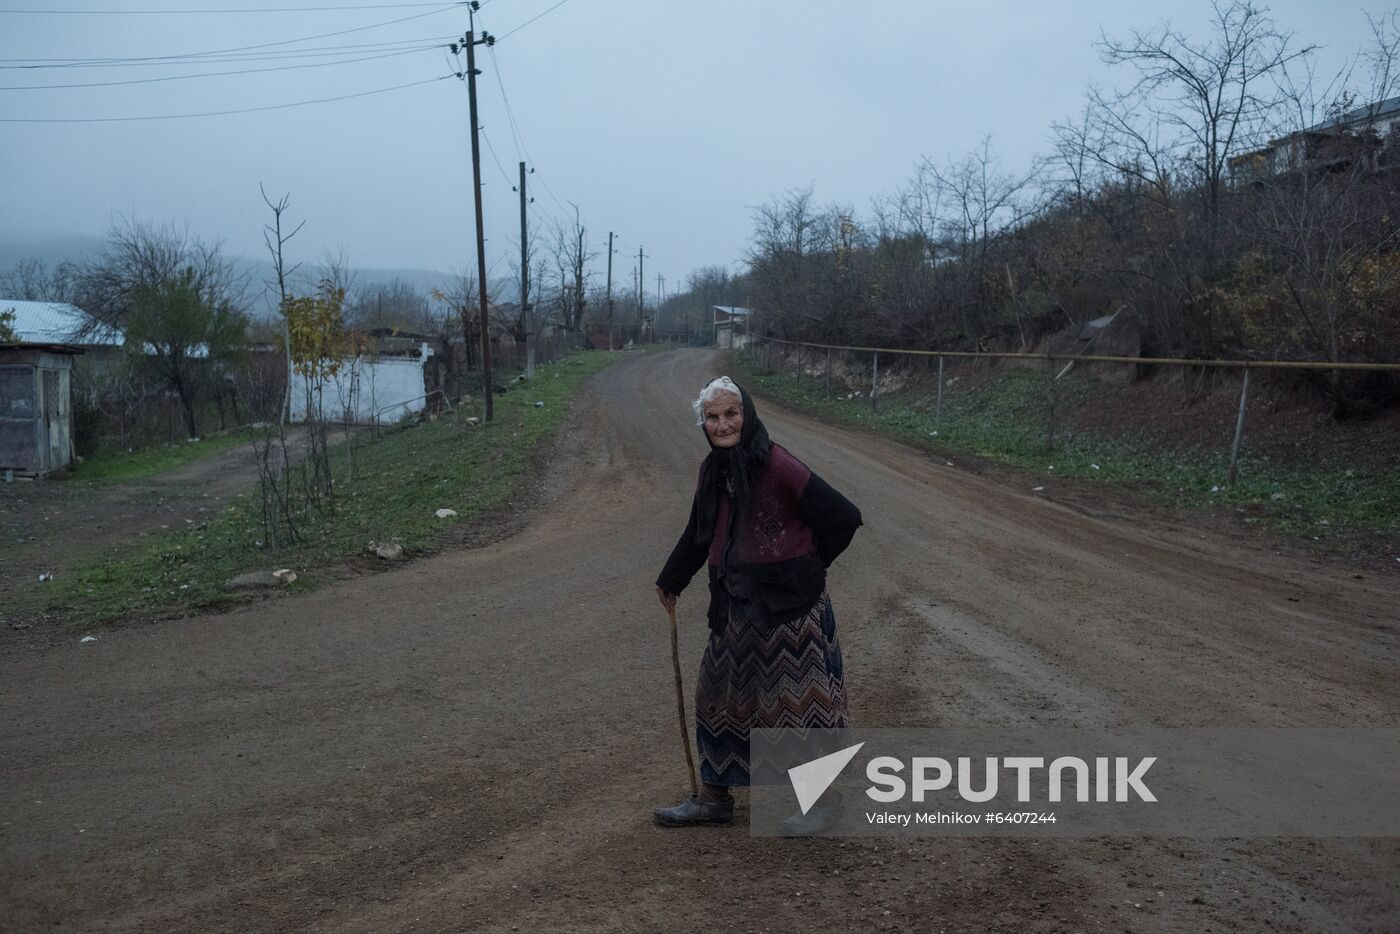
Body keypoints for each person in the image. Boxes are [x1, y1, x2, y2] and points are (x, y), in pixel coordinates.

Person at [653, 375, 862, 828]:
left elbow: (845, 517)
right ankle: (714, 798)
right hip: (735, 606)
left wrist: (806, 567)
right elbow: (698, 533)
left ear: (747, 416)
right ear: (704, 424)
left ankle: (823, 805)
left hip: (793, 613)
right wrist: (671, 579)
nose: (723, 423)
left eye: (732, 413)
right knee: (717, 696)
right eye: (713, 417)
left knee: (799, 706)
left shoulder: (779, 465)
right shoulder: (712, 471)